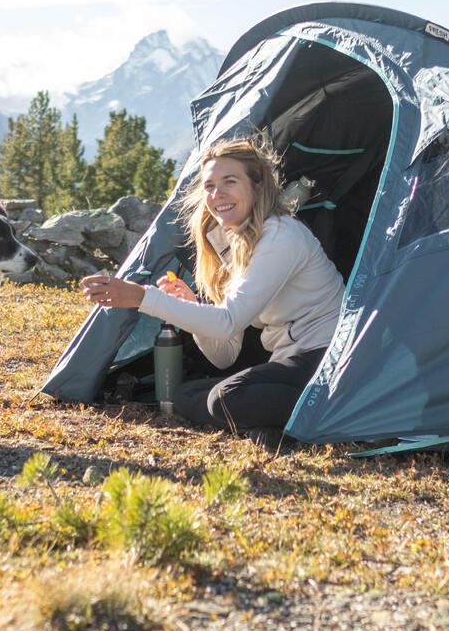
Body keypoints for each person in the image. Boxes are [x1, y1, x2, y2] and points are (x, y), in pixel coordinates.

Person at [81, 137, 345, 439]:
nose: (217, 194)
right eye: (209, 186)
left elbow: (228, 322)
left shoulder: (281, 236)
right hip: (288, 359)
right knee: (185, 394)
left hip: (326, 358)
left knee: (225, 398)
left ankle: (333, 410)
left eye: (229, 181)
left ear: (257, 186)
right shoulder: (230, 240)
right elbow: (224, 355)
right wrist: (193, 305)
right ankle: (271, 426)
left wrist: (141, 297)